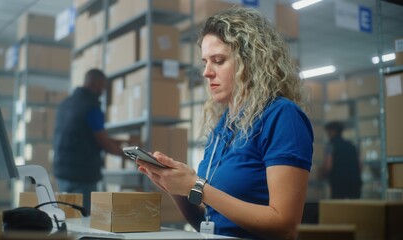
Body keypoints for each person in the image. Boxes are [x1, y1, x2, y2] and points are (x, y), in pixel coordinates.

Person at [136, 7, 313, 240]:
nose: (207, 73)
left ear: (250, 62)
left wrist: (198, 186)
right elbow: (207, 222)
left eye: (218, 61)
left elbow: (284, 224)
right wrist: (176, 187)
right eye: (205, 62)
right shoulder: (224, 126)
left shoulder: (282, 117)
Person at [52, 68, 125, 214]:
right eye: (102, 87)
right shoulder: (92, 108)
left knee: (67, 217)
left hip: (61, 172)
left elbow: (81, 135)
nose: (103, 91)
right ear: (96, 83)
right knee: (84, 219)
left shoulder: (65, 104)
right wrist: (132, 156)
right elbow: (104, 143)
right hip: (82, 176)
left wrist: (118, 142)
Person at [321, 121, 362, 199]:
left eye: (329, 131)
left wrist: (323, 174)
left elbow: (328, 166)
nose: (327, 134)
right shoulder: (351, 145)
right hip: (354, 182)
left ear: (334, 131)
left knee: (338, 209)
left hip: (338, 183)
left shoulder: (330, 145)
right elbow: (360, 167)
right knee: (354, 209)